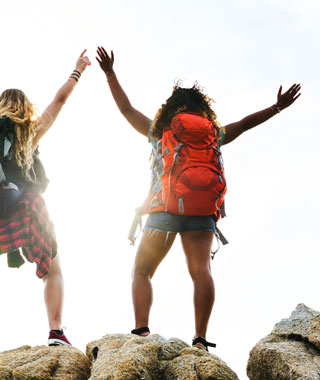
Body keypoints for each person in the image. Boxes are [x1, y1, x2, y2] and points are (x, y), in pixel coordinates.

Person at [96, 46, 301, 350]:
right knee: (201, 271)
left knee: (142, 270)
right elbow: (244, 124)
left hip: (165, 206)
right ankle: (201, 340)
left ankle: (141, 331)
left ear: (172, 108)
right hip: (202, 209)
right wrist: (276, 107)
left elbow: (126, 110)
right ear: (202, 109)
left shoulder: (162, 130)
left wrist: (110, 74)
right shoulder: (213, 133)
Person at [0, 50, 91, 359]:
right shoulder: (26, 132)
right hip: (25, 207)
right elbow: (59, 101)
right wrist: (76, 72)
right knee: (53, 267)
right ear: (24, 108)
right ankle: (55, 330)